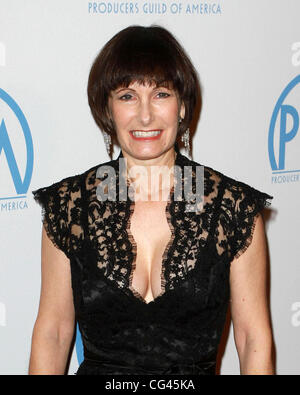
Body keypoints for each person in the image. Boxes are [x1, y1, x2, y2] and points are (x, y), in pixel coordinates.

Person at [29, 25, 274, 375]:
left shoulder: (232, 208)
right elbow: (52, 334)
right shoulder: (71, 206)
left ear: (183, 107)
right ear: (107, 109)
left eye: (161, 94)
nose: (145, 115)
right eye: (127, 96)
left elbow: (253, 340)